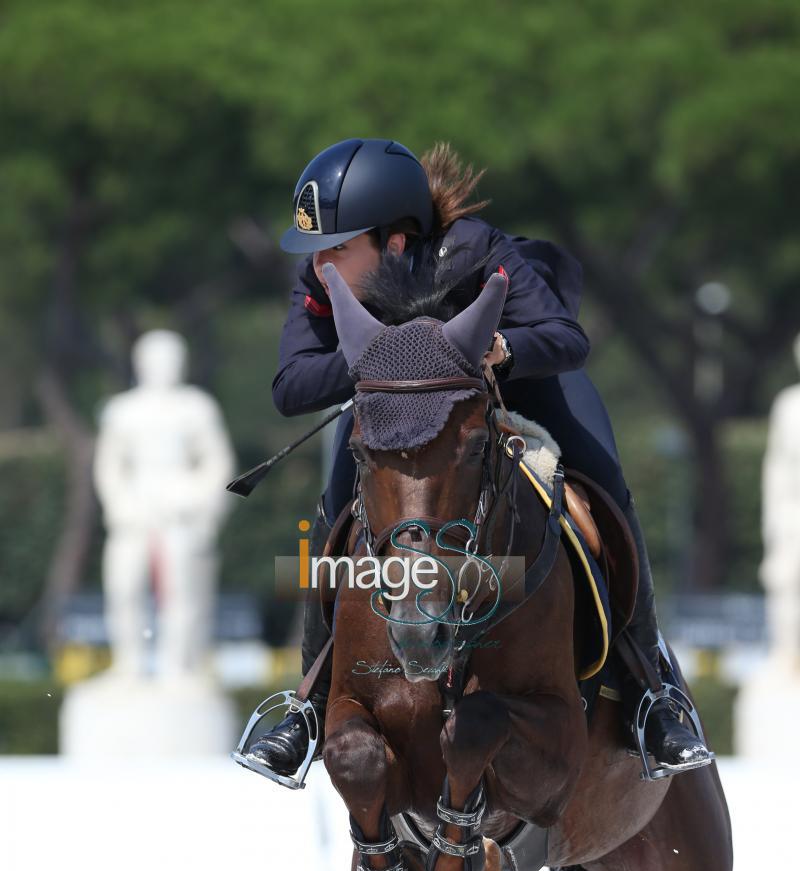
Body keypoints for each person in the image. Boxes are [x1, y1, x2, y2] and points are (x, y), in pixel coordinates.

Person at [250, 138, 711, 779]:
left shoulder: (478, 251)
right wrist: (382, 355)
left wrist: (494, 347)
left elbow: (566, 338)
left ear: (397, 241)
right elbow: (290, 387)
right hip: (398, 406)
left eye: (337, 247)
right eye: (319, 249)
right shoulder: (323, 279)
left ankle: (649, 692)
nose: (321, 263)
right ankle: (309, 701)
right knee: (333, 509)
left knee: (605, 488)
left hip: (521, 383)